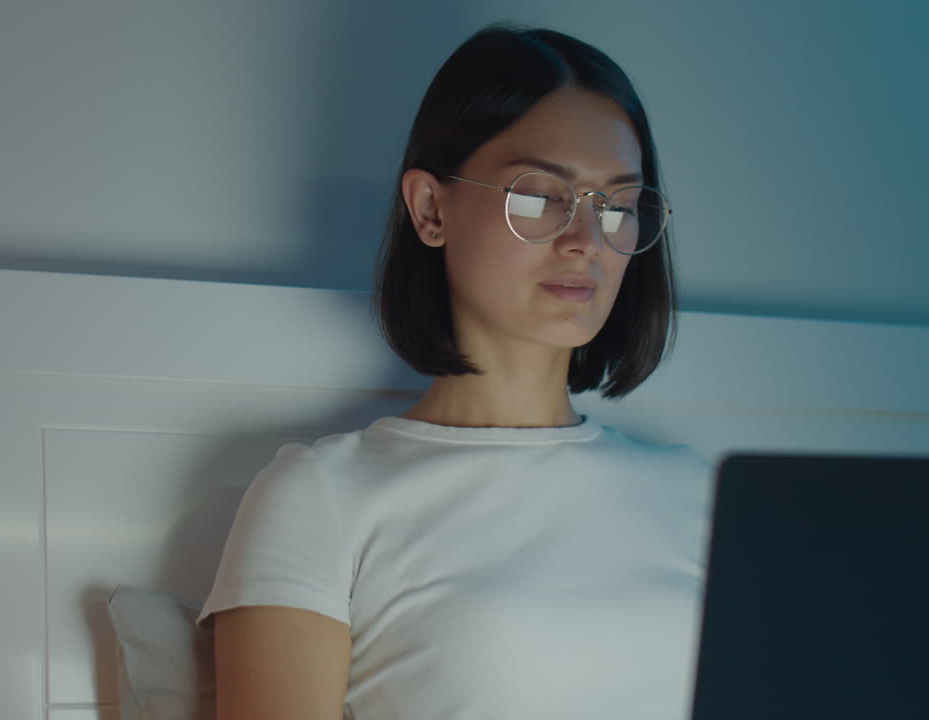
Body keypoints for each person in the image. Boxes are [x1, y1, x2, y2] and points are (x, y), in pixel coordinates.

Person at [197, 22, 713, 720]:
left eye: (617, 206)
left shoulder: (701, 494)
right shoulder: (322, 498)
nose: (586, 241)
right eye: (539, 195)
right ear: (430, 208)